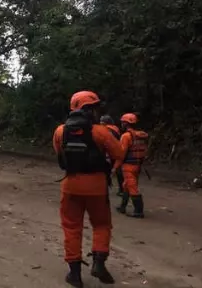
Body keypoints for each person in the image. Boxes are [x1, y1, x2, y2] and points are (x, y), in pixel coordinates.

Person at [53, 91, 124, 287]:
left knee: (71, 227)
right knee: (101, 225)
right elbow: (119, 153)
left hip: (70, 185)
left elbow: (60, 155)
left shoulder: (60, 131)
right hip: (97, 187)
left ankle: (74, 274)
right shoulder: (101, 132)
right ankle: (99, 263)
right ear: (90, 109)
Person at [115, 113, 149, 218]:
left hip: (128, 165)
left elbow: (121, 153)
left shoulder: (126, 136)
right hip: (138, 164)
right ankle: (122, 207)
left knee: (132, 187)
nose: (121, 124)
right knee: (127, 185)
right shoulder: (142, 135)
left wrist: (115, 167)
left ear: (126, 123)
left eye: (122, 122)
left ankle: (139, 211)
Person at [100, 115, 123, 195]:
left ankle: (105, 188)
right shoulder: (116, 129)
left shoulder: (105, 130)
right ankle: (122, 189)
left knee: (105, 171)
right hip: (117, 152)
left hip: (108, 153)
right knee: (118, 171)